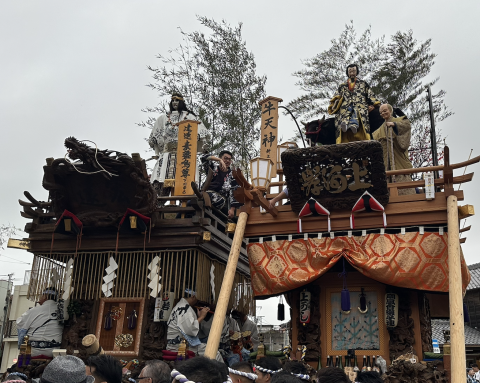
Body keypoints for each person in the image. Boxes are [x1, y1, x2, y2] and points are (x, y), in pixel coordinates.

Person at [148, 92, 208, 198]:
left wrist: (201, 146)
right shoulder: (163, 118)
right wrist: (157, 152)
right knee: (162, 179)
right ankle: (161, 203)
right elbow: (155, 136)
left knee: (184, 180)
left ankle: (182, 206)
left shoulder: (189, 116)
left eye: (177, 100)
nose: (175, 102)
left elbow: (201, 132)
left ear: (181, 102)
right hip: (167, 154)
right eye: (173, 100)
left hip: (184, 155)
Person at [328, 64, 380, 144]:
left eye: (353, 71)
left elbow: (370, 95)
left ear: (357, 72)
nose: (352, 73)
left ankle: (354, 124)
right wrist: (335, 103)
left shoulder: (363, 84)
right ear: (347, 73)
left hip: (360, 105)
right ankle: (344, 124)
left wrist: (374, 105)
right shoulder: (342, 86)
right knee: (346, 110)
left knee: (356, 108)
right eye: (350, 71)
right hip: (345, 106)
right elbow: (336, 97)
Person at [166, 290, 223, 362]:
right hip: (180, 346)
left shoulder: (180, 306)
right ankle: (222, 373)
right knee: (215, 353)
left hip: (175, 344)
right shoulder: (185, 308)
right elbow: (190, 329)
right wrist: (202, 316)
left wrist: (199, 317)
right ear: (193, 296)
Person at [372, 103, 415, 195]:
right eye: (381, 112)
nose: (383, 113)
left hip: (399, 162)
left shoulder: (400, 121)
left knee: (404, 189)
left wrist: (394, 125)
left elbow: (407, 126)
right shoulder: (378, 132)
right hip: (386, 165)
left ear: (390, 111)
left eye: (385, 111)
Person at [16, 287, 63, 357]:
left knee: (23, 332)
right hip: (57, 350)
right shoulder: (62, 311)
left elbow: (20, 324)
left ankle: (22, 362)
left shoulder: (34, 310)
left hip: (35, 350)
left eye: (41, 295)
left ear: (45, 296)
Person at [200, 150, 242, 219]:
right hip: (205, 194)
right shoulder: (213, 168)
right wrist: (218, 160)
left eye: (229, 159)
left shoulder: (232, 175)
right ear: (220, 158)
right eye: (225, 158)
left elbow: (234, 192)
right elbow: (203, 158)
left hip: (221, 199)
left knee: (205, 196)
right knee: (192, 202)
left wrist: (232, 209)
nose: (228, 161)